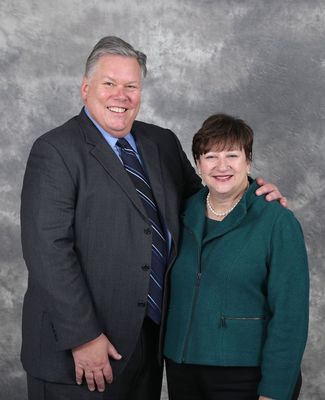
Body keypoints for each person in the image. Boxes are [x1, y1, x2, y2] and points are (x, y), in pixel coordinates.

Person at [20, 36, 285, 400]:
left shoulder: (160, 142)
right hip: (80, 351)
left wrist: (253, 193)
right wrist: (83, 336)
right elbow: (47, 251)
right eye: (109, 84)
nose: (121, 95)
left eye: (131, 86)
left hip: (148, 345)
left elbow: (204, 197)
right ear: (85, 88)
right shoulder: (55, 151)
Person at [164, 113, 309, 400]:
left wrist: (274, 392)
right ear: (198, 164)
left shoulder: (277, 222)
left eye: (232, 155)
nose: (221, 166)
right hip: (182, 368)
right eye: (210, 156)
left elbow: (290, 317)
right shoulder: (180, 211)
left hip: (245, 374)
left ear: (248, 160)